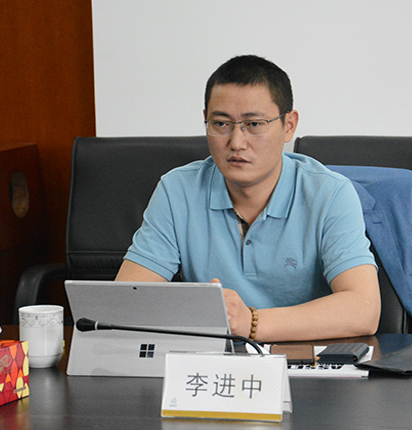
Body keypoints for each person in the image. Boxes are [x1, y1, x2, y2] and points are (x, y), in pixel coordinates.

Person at [116, 55, 380, 342]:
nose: (236, 142)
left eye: (254, 124)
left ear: (289, 125)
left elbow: (364, 309)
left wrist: (250, 323)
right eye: (220, 124)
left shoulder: (330, 194)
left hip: (305, 357)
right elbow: (125, 303)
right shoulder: (177, 190)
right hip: (212, 358)